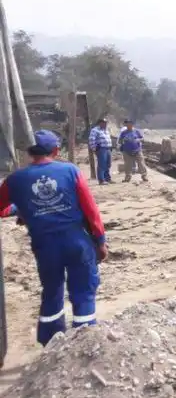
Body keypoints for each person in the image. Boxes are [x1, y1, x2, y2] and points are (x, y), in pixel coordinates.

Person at [0, 129, 108, 346]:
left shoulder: (15, 180)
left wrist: (19, 209)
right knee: (83, 290)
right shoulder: (70, 171)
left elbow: (1, 208)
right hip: (76, 241)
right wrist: (101, 240)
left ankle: (51, 344)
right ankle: (83, 342)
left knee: (52, 290)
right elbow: (90, 210)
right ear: (56, 150)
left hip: (45, 246)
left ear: (30, 153)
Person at [118, 119, 149, 183]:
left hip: (137, 150)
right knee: (128, 165)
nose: (129, 125)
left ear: (132, 124)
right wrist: (124, 140)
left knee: (141, 163)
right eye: (127, 123)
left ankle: (144, 176)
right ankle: (127, 177)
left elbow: (143, 139)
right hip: (127, 151)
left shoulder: (136, 131)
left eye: (130, 123)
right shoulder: (123, 133)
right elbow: (119, 141)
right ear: (126, 125)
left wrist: (138, 139)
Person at [88, 118, 113, 184]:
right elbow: (91, 139)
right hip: (101, 149)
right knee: (102, 164)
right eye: (104, 122)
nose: (105, 124)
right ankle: (101, 180)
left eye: (106, 123)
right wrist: (94, 148)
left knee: (108, 164)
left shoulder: (106, 130)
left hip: (108, 148)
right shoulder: (95, 130)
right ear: (100, 123)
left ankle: (107, 178)